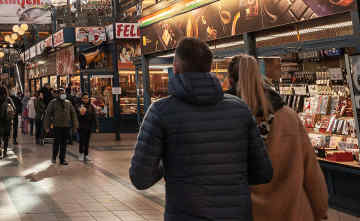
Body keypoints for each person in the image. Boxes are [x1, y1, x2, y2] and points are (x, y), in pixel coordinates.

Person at [129, 38, 273, 220]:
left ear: (175, 67)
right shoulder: (240, 109)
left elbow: (140, 178)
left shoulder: (160, 112)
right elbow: (263, 172)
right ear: (210, 68)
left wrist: (170, 162)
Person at [228, 55, 328, 221]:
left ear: (230, 81)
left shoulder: (227, 121)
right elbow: (312, 173)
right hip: (294, 213)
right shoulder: (289, 117)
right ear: (260, 78)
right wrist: (320, 211)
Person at [43, 88, 78, 165]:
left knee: (64, 143)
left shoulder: (68, 103)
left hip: (66, 126)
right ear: (58, 94)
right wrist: (46, 126)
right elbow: (48, 114)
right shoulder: (53, 103)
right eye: (61, 93)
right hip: (57, 126)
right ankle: (54, 157)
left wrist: (75, 125)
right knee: (56, 142)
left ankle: (62, 159)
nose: (63, 95)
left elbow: (73, 114)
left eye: (64, 93)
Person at [76, 94, 96, 162]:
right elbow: (78, 115)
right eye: (84, 98)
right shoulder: (79, 106)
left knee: (87, 141)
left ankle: (86, 154)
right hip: (81, 126)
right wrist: (81, 113)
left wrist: (96, 126)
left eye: (87, 98)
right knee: (82, 141)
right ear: (82, 99)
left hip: (89, 126)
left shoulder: (91, 106)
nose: (86, 99)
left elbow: (94, 116)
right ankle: (81, 154)